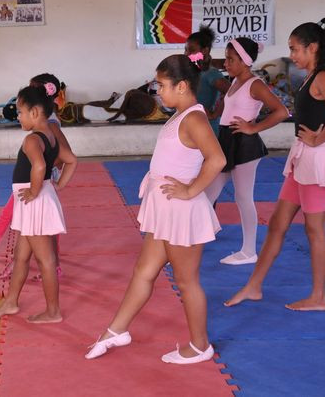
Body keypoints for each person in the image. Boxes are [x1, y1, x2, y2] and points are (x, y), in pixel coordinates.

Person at [85, 54, 225, 364]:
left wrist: (189, 190)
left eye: (161, 85)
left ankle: (200, 346)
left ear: (182, 85)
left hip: (181, 211)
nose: (157, 91)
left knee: (187, 282)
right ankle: (116, 330)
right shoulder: (180, 114)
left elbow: (217, 159)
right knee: (144, 272)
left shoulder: (194, 118)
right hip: (165, 208)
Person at [224, 17, 325, 311]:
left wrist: (319, 140)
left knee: (314, 231)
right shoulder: (311, 76)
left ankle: (319, 297)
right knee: (277, 225)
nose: (291, 55)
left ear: (313, 47)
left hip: (315, 161)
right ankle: (253, 286)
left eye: (295, 49)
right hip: (301, 159)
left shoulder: (322, 77)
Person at [0, 84, 77, 323]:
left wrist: (36, 190)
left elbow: (38, 166)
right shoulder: (52, 133)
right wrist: (56, 186)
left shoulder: (31, 140)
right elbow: (71, 160)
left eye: (20, 112)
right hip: (36, 199)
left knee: (46, 260)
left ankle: (53, 311)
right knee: (21, 255)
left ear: (35, 113)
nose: (18, 117)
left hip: (34, 201)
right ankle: (11, 302)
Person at [203, 38, 289, 265]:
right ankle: (191, 244)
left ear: (246, 61)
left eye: (232, 59)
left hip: (244, 144)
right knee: (207, 195)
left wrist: (254, 127)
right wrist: (213, 115)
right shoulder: (234, 82)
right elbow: (227, 106)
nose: (227, 63)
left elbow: (281, 111)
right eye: (227, 58)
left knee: (243, 197)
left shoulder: (255, 84)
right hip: (226, 140)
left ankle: (249, 251)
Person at [0, 74, 71, 281]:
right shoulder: (44, 124)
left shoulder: (49, 126)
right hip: (36, 182)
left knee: (29, 225)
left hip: (36, 184)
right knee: (29, 227)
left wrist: (45, 178)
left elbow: (64, 156)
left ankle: (47, 268)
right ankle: (17, 264)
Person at [186, 26, 230, 136]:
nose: (186, 53)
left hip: (207, 129)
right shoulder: (192, 71)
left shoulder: (211, 73)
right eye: (185, 49)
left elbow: (232, 91)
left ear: (205, 50)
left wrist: (215, 114)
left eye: (191, 50)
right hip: (191, 125)